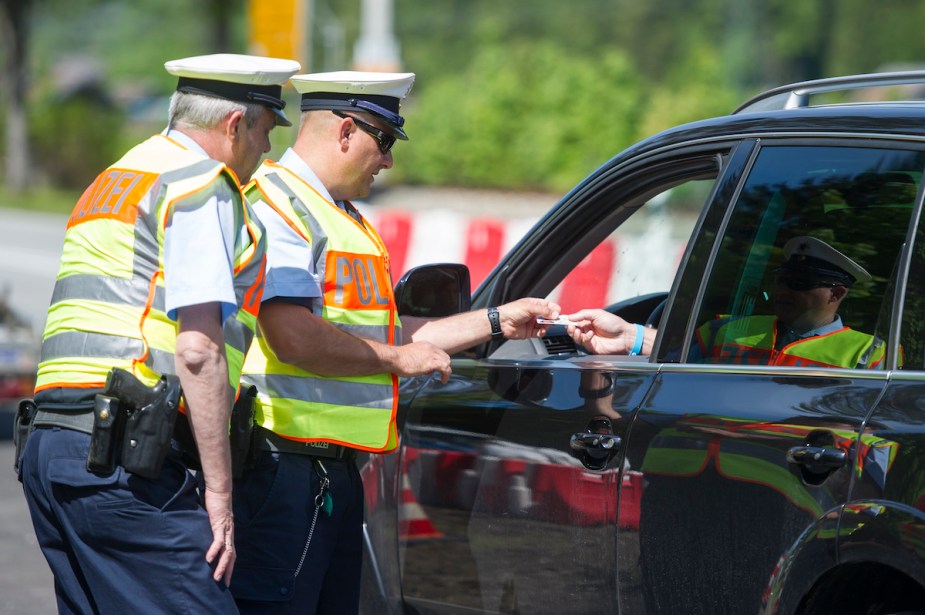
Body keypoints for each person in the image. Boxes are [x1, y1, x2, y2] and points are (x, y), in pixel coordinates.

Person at [231, 70, 561, 614]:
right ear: (344, 131)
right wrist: (398, 359)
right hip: (282, 466)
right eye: (383, 141)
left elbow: (394, 335)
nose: (388, 161)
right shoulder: (278, 205)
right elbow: (291, 335)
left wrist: (500, 320)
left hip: (327, 470)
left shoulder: (340, 215)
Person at [17, 53, 300, 614]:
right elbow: (197, 350)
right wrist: (219, 494)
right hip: (124, 457)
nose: (267, 151)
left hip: (53, 447)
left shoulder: (119, 175)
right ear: (234, 124)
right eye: (266, 131)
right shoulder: (202, 184)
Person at [567, 236, 885, 369]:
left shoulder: (868, 356)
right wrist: (627, 336)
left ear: (837, 294)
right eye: (782, 280)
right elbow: (677, 358)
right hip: (690, 476)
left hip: (794, 494)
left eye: (800, 284)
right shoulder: (726, 329)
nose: (785, 291)